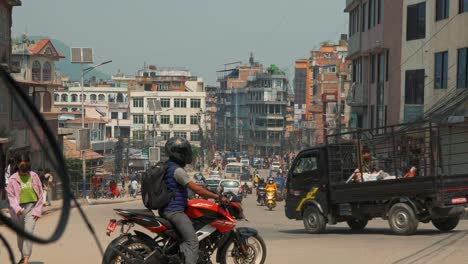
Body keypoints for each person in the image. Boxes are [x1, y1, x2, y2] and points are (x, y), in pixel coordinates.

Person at [159, 137, 229, 264]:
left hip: (168, 209)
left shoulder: (168, 166)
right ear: (179, 154)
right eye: (185, 152)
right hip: (174, 212)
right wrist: (218, 197)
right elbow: (198, 190)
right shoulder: (178, 171)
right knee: (192, 241)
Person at [5, 153, 43, 264]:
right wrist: (16, 208)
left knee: (28, 233)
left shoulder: (34, 176)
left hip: (32, 208)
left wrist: (38, 210)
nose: (24, 166)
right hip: (18, 211)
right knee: (20, 236)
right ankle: (23, 256)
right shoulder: (13, 179)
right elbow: (11, 196)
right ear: (17, 164)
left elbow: (40, 195)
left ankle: (26, 259)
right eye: (22, 164)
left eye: (26, 164)